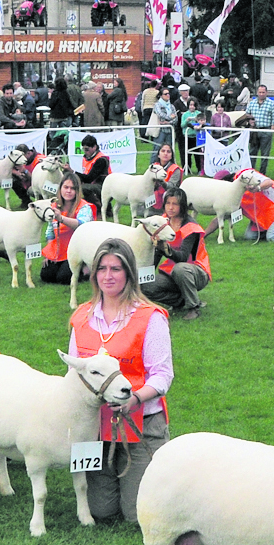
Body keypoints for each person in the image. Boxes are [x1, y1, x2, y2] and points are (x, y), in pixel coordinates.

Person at [68, 237, 174, 523]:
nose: (108, 276)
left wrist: (135, 398)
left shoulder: (150, 317)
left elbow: (163, 375)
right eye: (101, 269)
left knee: (136, 514)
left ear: (129, 273)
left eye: (116, 268)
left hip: (140, 423)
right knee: (101, 511)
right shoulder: (81, 317)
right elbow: (73, 374)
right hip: (95, 426)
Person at [143, 187, 210, 320]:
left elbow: (183, 258)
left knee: (180, 269)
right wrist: (145, 275)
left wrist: (166, 249)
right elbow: (157, 253)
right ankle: (180, 301)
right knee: (143, 286)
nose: (170, 207)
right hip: (171, 272)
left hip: (196, 271)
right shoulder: (163, 222)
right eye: (168, 203)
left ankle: (193, 307)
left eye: (175, 204)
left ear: (182, 206)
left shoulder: (191, 227)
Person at [41, 171, 96, 284]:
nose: (69, 191)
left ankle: (86, 269)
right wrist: (49, 254)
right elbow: (50, 232)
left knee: (64, 278)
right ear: (60, 188)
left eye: (73, 188)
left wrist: (61, 218)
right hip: (60, 250)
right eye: (66, 187)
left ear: (77, 191)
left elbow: (82, 225)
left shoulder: (84, 207)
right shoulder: (54, 206)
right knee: (47, 276)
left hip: (77, 251)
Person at [74, 135, 111, 209]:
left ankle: (99, 208)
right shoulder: (86, 157)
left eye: (87, 149)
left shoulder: (101, 160)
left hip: (103, 185)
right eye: (83, 149)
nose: (85, 151)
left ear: (94, 147)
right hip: (92, 183)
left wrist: (73, 172)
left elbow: (89, 179)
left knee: (83, 188)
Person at [247, 84, 274, 174]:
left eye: (263, 92)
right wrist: (250, 122)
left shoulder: (272, 104)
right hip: (254, 131)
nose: (261, 94)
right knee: (252, 152)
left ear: (266, 93)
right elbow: (247, 115)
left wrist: (271, 131)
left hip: (266, 130)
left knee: (265, 154)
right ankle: (251, 171)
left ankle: (262, 173)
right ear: (257, 92)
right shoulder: (252, 103)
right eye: (260, 92)